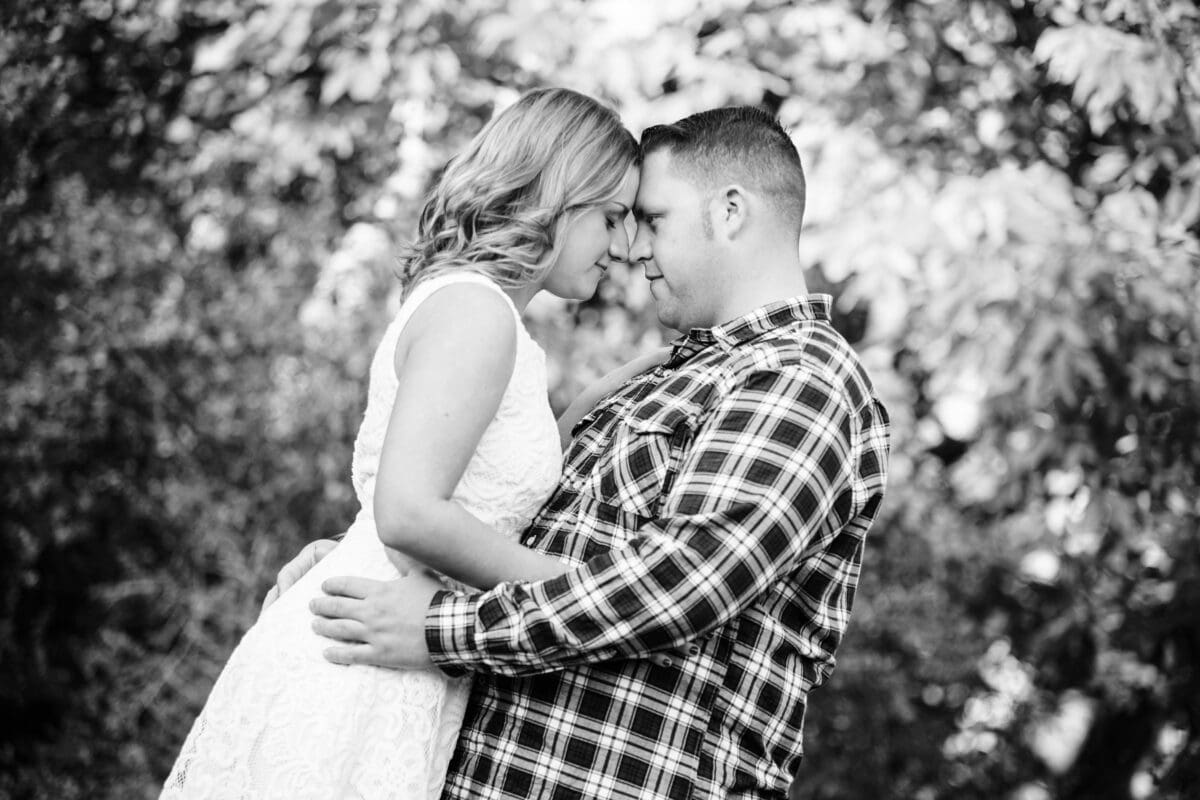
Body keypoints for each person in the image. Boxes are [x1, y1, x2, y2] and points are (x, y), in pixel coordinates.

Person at [286, 106, 892, 799]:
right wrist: (358, 558)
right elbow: (522, 529)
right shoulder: (661, 380)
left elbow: (675, 587)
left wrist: (439, 631)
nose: (633, 249)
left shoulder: (798, 381)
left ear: (730, 212)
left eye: (653, 219)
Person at [160, 87, 663, 800]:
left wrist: (585, 410)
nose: (621, 247)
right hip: (360, 655)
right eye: (611, 218)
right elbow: (408, 514)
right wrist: (576, 590)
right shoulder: (477, 314)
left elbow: (473, 483)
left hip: (395, 655)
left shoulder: (482, 310)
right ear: (557, 194)